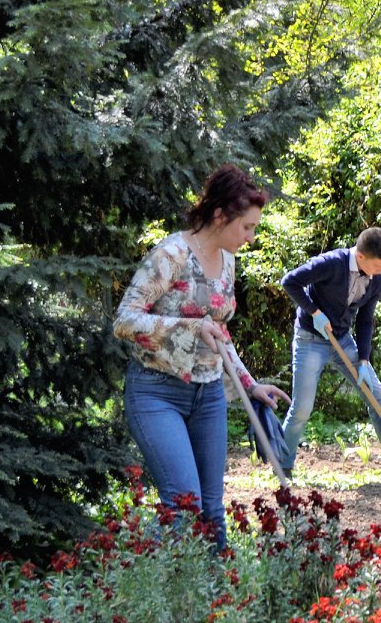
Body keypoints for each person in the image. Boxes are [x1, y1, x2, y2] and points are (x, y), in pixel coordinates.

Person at [113, 165, 287, 548]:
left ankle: (216, 600)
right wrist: (189, 327)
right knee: (183, 507)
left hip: (208, 394)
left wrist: (249, 384)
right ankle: (139, 578)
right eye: (247, 227)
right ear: (221, 215)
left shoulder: (227, 260)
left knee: (211, 509)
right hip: (156, 392)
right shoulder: (171, 255)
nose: (251, 237)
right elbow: (125, 320)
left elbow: (218, 332)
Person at [278, 227, 381, 481]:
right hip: (310, 339)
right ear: (361, 257)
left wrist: (363, 360)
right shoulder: (330, 263)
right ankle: (282, 464)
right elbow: (289, 282)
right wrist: (314, 312)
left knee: (377, 395)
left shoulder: (377, 280)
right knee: (302, 407)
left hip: (342, 340)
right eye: (379, 265)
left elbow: (365, 320)